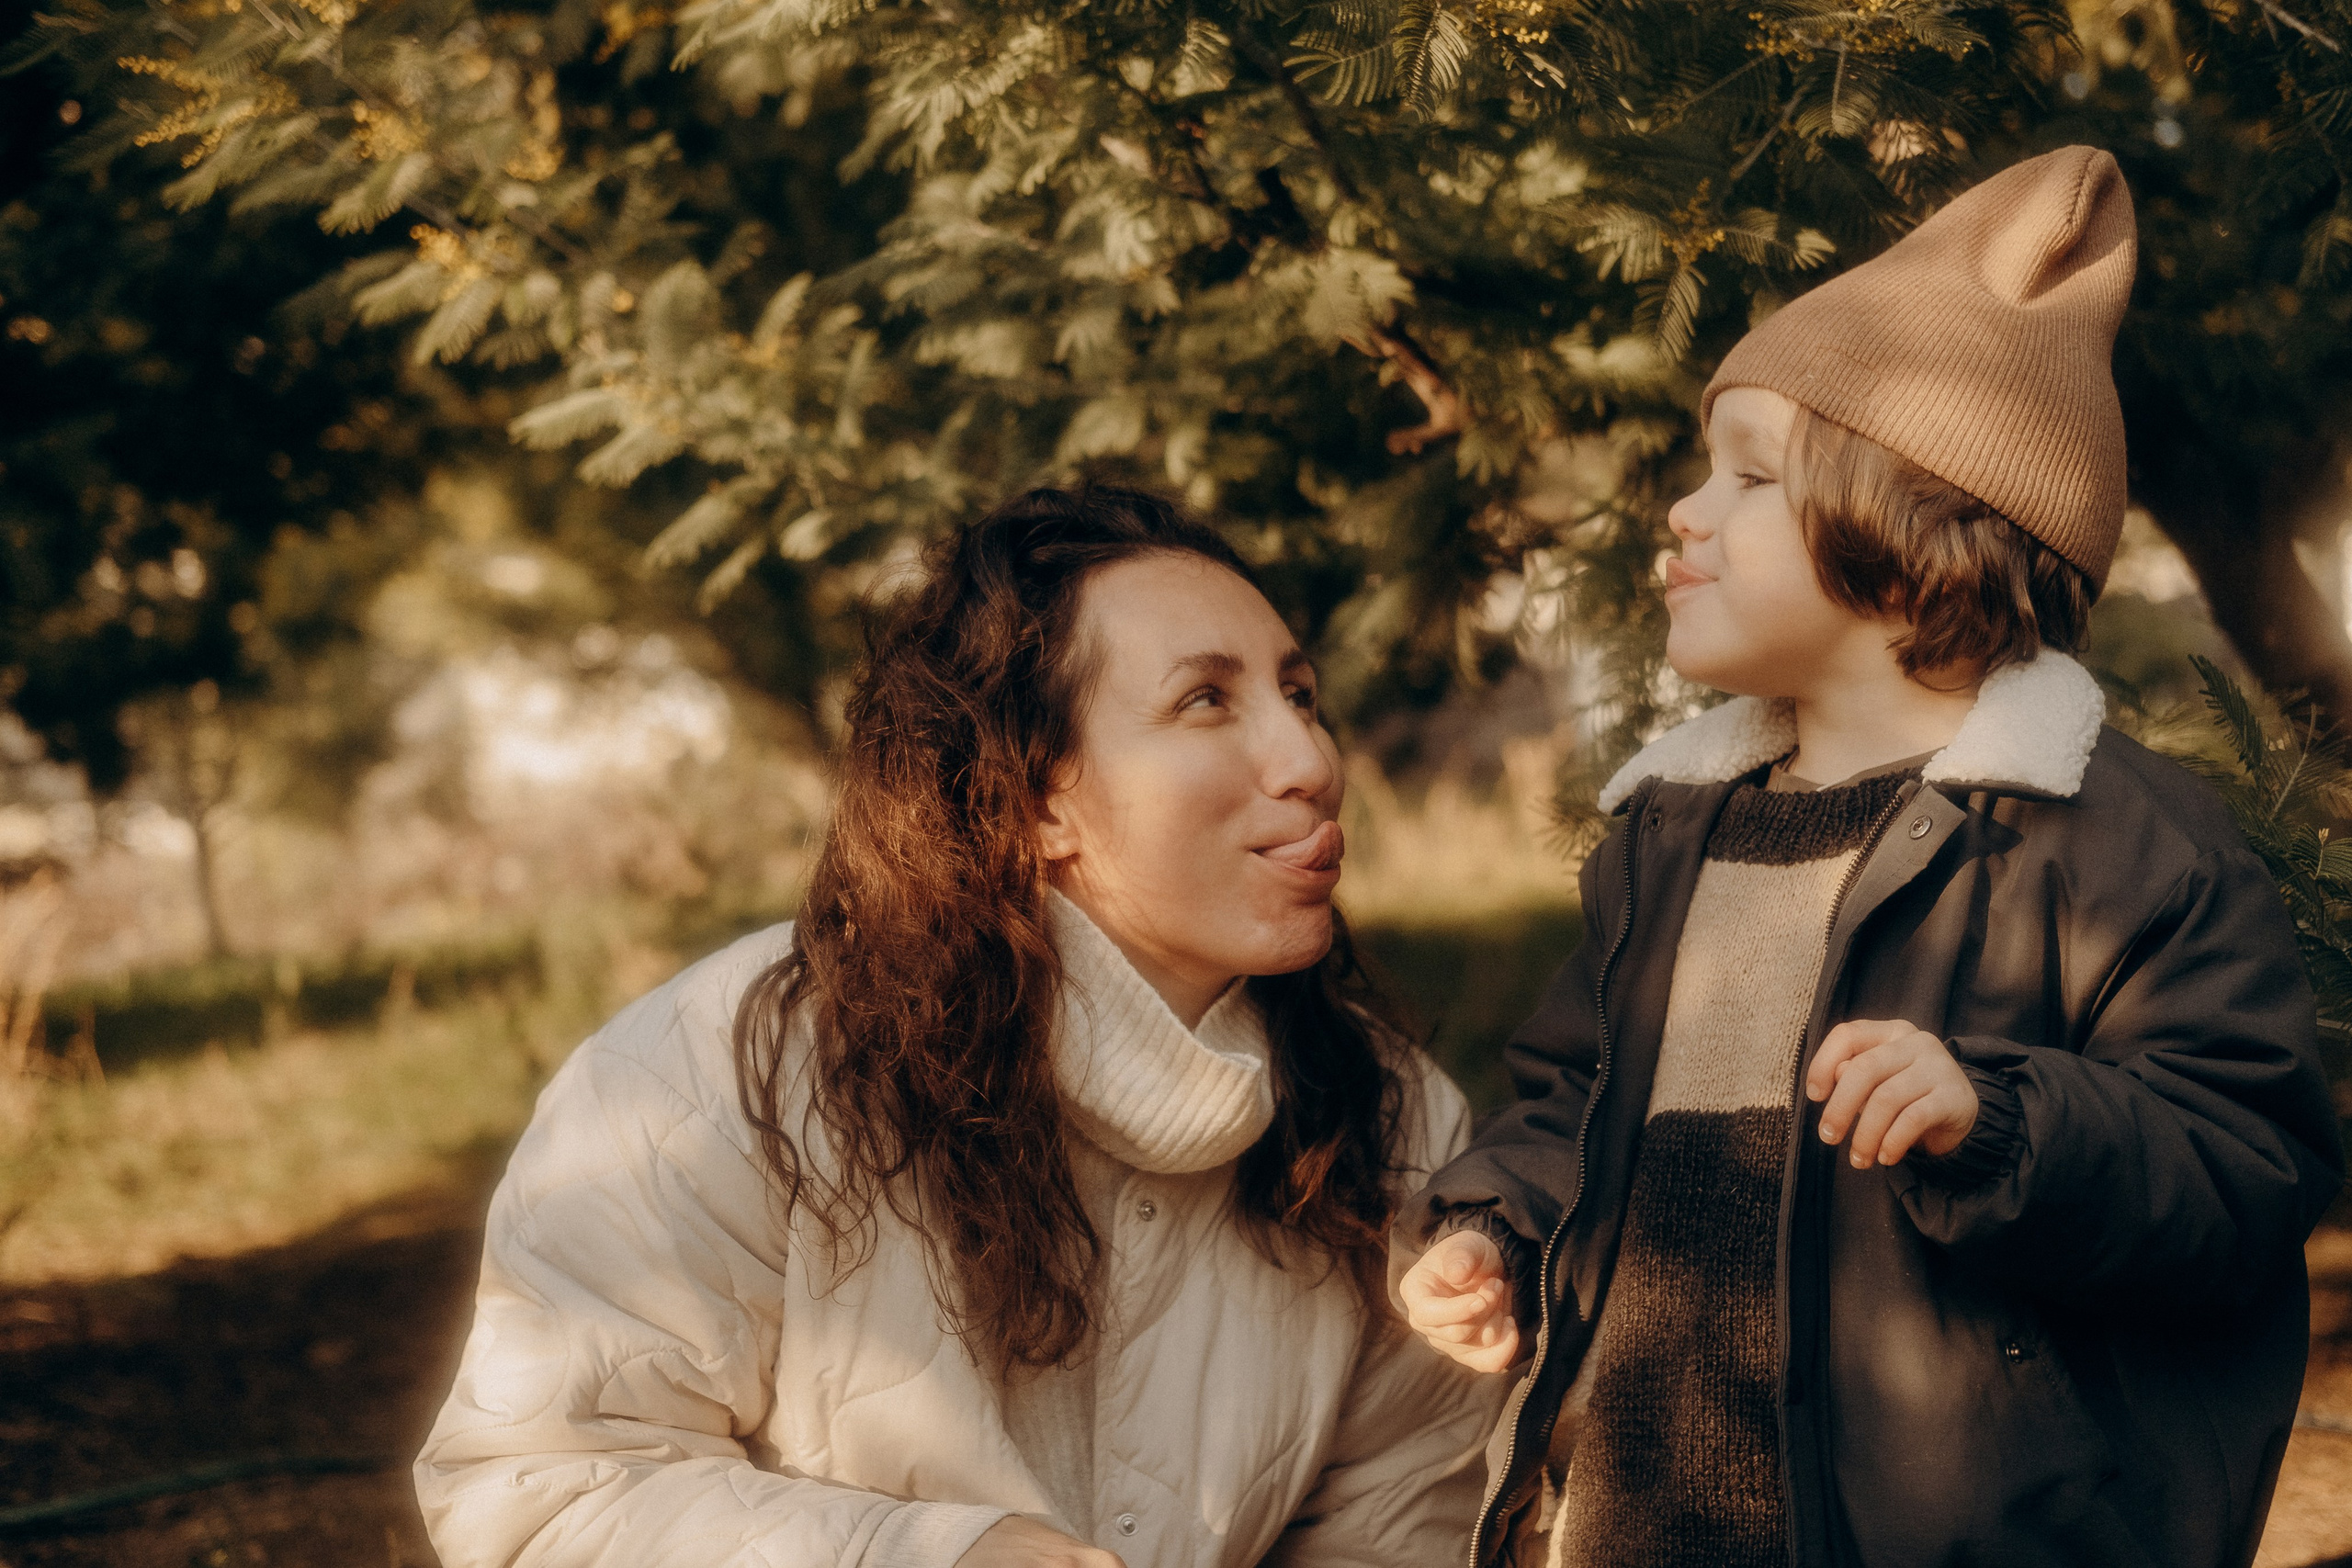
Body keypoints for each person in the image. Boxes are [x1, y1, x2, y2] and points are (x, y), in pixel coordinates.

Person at [1393, 146, 2346, 1568]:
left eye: (1748, 476)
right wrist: (1498, 1226)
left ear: (1914, 535)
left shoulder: (2109, 841)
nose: (1682, 510)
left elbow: (2243, 1167)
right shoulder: (1667, 833)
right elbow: (1575, 1098)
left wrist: (2006, 1117)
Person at [413, 485, 1504, 1568]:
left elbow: (1397, 1530)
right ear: (1032, 796)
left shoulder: (1390, 1118)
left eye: (1299, 694)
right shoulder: (706, 1079)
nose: (1311, 763)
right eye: (1206, 703)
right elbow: (542, 1498)